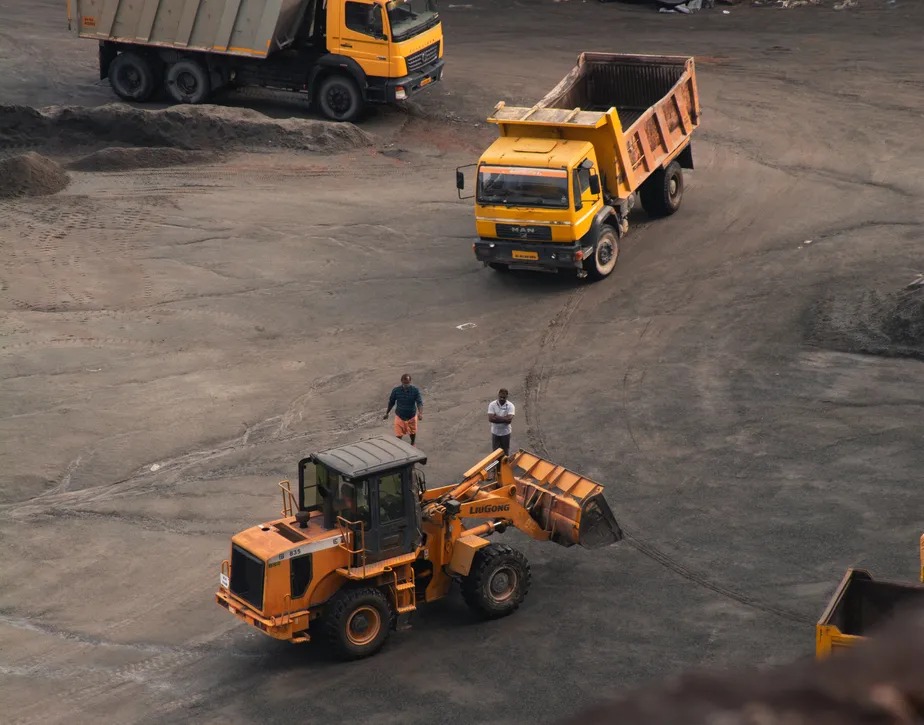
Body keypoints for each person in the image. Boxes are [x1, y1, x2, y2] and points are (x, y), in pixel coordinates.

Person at [383, 373, 423, 445]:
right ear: (401, 381)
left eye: (407, 383)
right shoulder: (396, 390)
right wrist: (387, 413)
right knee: (398, 434)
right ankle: (400, 446)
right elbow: (391, 402)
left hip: (411, 416)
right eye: (404, 383)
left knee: (412, 432)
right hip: (400, 416)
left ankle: (412, 443)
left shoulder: (415, 391)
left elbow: (419, 402)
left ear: (410, 381)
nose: (406, 385)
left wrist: (420, 413)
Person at [487, 388, 515, 456]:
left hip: (505, 433)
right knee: (495, 453)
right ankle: (497, 466)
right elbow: (490, 419)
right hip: (495, 432)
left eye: (504, 397)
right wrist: (504, 418)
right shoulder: (492, 404)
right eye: (501, 397)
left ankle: (504, 465)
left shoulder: (510, 406)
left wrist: (496, 417)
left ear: (507, 397)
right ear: (498, 395)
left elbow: (509, 420)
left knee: (505, 452)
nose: (502, 399)